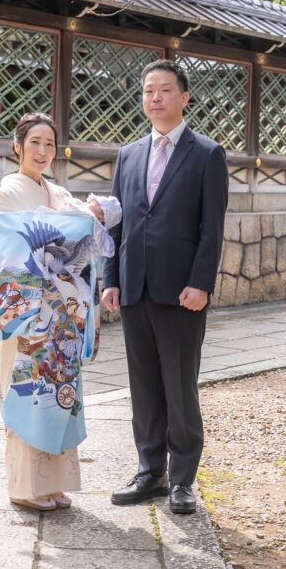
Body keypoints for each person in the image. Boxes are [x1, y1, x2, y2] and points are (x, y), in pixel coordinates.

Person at [102, 59, 229, 515]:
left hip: (181, 292)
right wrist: (111, 279)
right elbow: (116, 222)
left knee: (179, 386)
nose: (155, 97)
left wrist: (201, 283)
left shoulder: (207, 154)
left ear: (184, 97)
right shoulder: (128, 155)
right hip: (134, 287)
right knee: (144, 387)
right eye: (148, 90)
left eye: (164, 90)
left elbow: (211, 227)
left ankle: (182, 480)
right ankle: (149, 471)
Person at [0, 111, 118, 513]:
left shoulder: (59, 193)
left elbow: (85, 243)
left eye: (49, 144)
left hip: (62, 311)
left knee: (59, 392)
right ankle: (25, 487)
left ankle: (55, 483)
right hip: (27, 310)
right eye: (34, 143)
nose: (42, 151)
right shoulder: (8, 193)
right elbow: (10, 251)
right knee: (27, 390)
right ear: (18, 146)